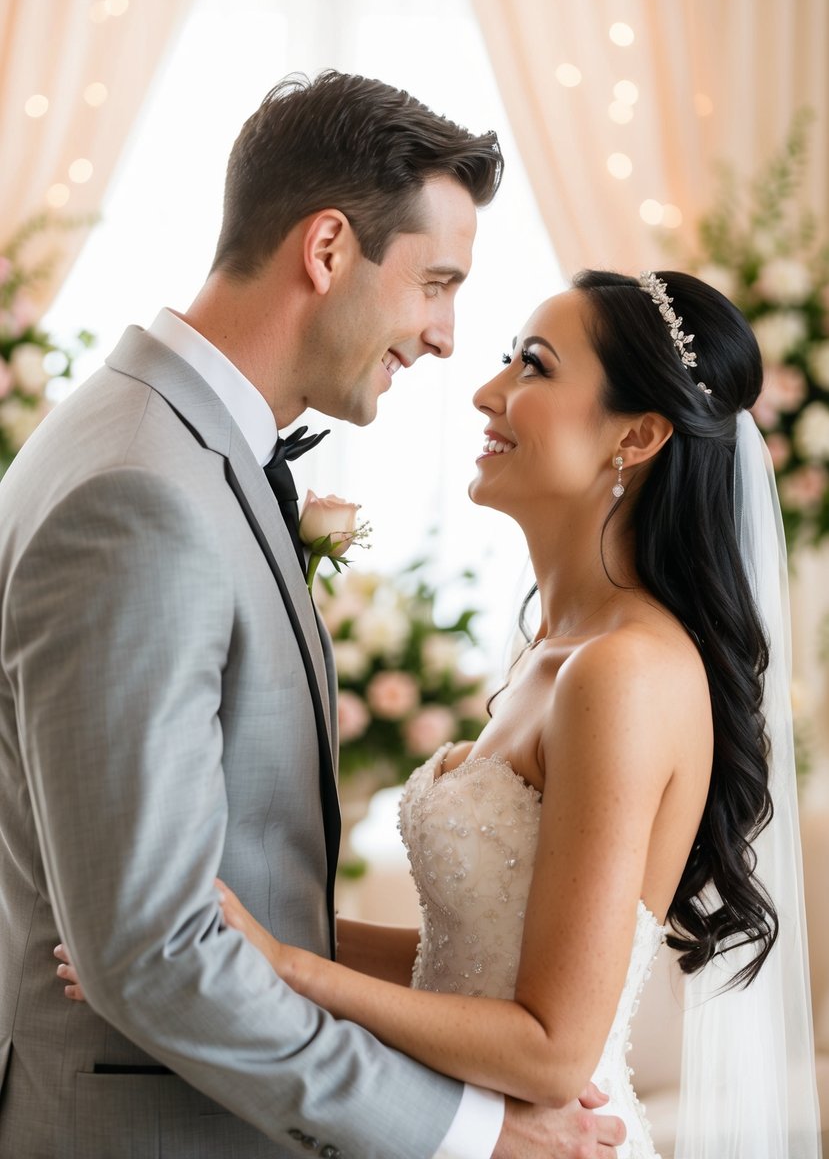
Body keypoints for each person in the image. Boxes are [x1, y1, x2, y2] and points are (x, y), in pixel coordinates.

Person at [0, 71, 625, 1159]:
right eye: (434, 283)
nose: (444, 338)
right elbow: (152, 951)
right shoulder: (140, 494)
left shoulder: (150, 443)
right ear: (327, 248)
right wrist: (463, 1133)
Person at [154, 268, 820, 1157]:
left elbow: (550, 1053)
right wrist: (225, 924)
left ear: (637, 435)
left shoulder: (621, 673)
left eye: (534, 367)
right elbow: (460, 964)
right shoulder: (552, 655)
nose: (484, 389)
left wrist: (285, 969)